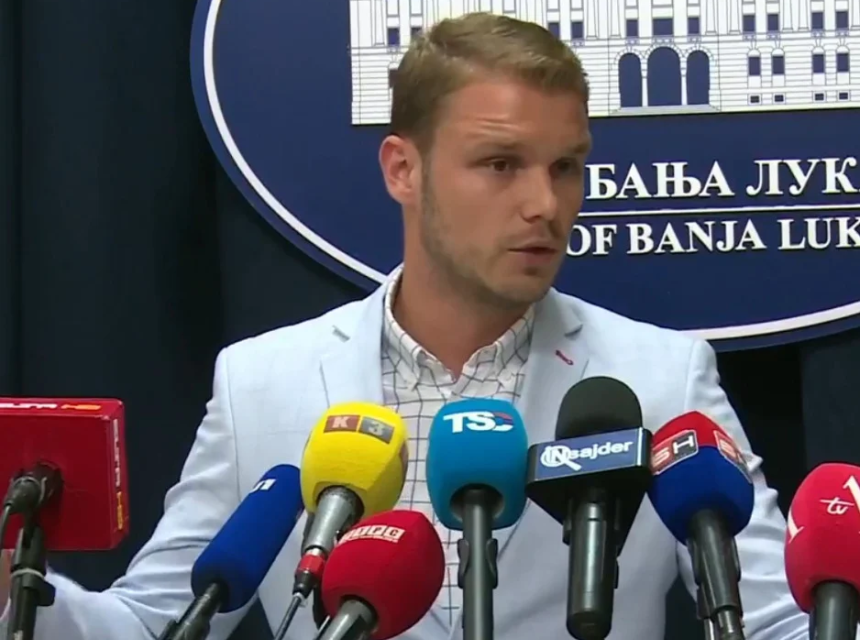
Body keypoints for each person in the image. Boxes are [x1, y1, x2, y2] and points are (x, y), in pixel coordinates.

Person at [0, 11, 810, 640]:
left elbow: (776, 621)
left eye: (565, 166)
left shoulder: (661, 376)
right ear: (402, 169)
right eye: (501, 164)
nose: (545, 203)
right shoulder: (261, 383)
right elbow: (155, 623)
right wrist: (13, 588)